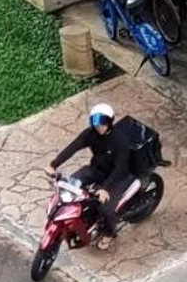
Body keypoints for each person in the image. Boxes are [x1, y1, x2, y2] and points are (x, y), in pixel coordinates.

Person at [47, 103, 132, 250]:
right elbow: (73, 147)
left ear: (110, 122)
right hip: (97, 170)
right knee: (71, 184)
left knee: (106, 209)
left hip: (118, 177)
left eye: (103, 123)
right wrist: (54, 164)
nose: (99, 126)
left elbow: (121, 168)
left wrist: (105, 188)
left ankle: (109, 233)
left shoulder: (120, 141)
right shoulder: (90, 134)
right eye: (95, 122)